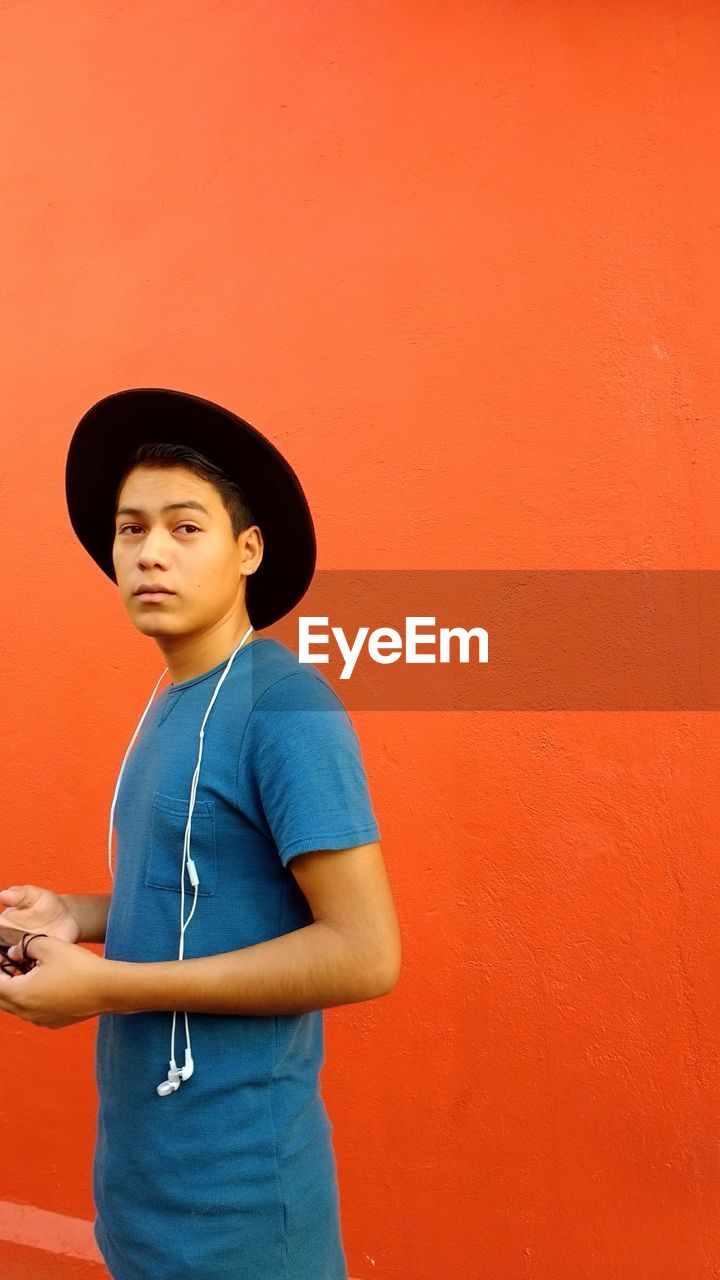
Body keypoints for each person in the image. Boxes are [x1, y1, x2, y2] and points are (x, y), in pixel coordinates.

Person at [0, 387, 402, 1280]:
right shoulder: (171, 698)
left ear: (247, 550)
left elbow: (367, 953)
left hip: (242, 1222)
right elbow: (204, 892)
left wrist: (107, 987)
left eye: (186, 528)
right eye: (130, 529)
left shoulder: (285, 707)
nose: (150, 554)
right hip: (147, 1204)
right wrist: (75, 913)